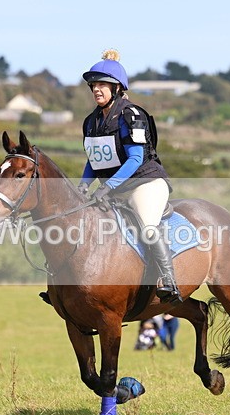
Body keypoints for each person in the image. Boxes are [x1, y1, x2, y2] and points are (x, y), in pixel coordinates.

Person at [78, 49, 182, 304]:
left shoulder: (131, 115)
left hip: (145, 183)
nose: (97, 90)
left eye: (103, 84)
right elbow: (95, 160)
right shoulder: (91, 121)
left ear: (116, 88)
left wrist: (107, 186)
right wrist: (82, 186)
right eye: (94, 85)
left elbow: (135, 159)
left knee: (147, 226)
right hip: (114, 188)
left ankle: (168, 280)